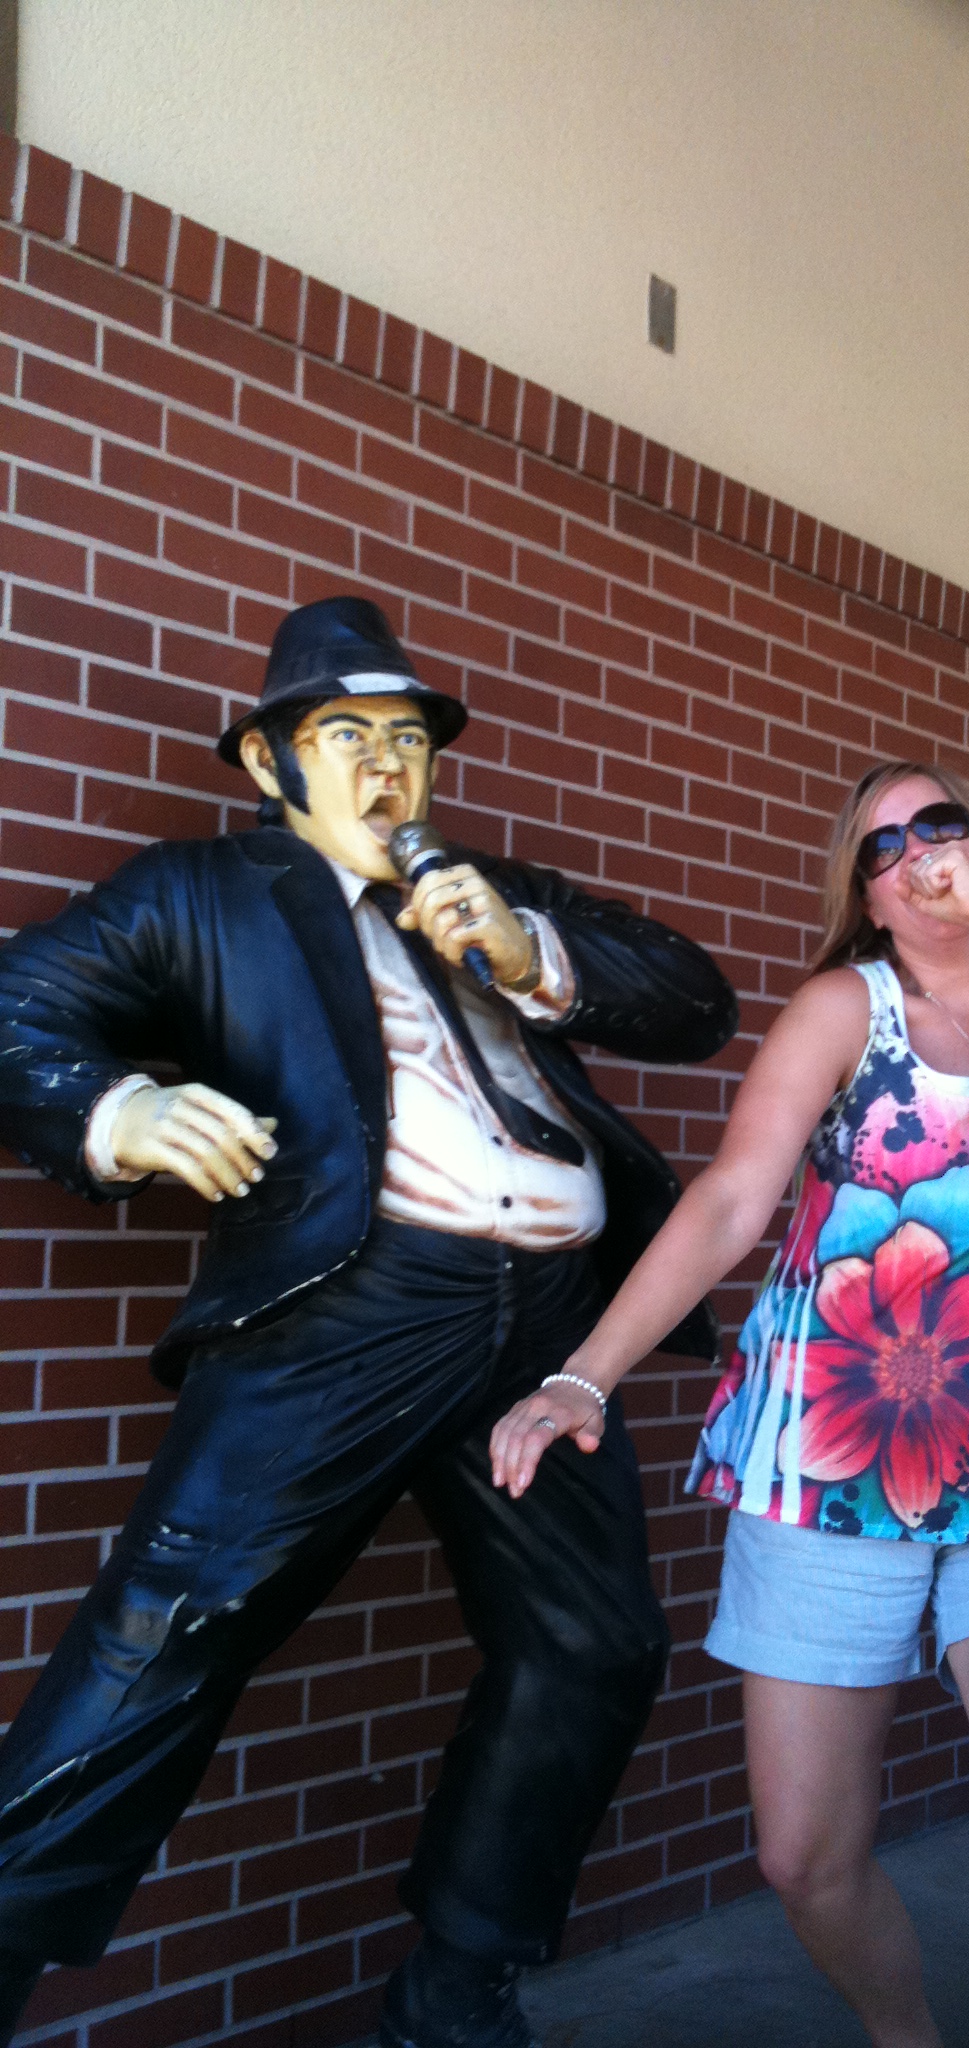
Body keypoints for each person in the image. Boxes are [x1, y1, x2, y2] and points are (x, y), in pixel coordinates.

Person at [0, 596, 738, 2048]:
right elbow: (14, 1005)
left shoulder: (488, 891)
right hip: (350, 1307)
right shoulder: (204, 895)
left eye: (408, 739)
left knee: (593, 1642)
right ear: (270, 763)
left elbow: (693, 1002)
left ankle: (457, 1992)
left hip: (547, 1327)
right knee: (171, 1628)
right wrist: (117, 1108)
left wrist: (527, 952)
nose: (386, 765)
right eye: (345, 735)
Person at [491, 759, 969, 2048]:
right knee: (804, 1855)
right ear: (862, 897)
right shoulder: (839, 1008)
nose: (918, 855)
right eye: (883, 847)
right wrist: (585, 1373)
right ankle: (905, 2035)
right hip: (833, 1450)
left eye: (940, 827)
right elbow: (730, 1202)